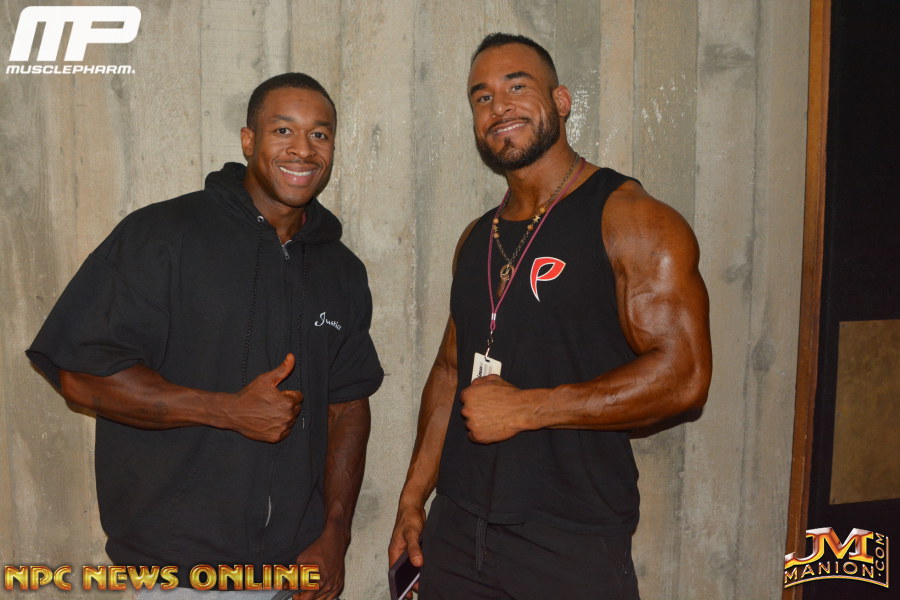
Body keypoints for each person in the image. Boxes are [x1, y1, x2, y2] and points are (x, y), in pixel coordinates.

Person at [27, 73, 383, 600]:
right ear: (248, 141)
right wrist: (226, 410)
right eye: (283, 130)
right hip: (177, 573)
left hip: (293, 572)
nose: (303, 149)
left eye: (319, 134)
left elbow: (348, 407)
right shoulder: (163, 235)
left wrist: (335, 533)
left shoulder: (341, 270)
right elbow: (81, 377)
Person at [388, 33, 712, 599]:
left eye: (517, 86)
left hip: (569, 537)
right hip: (457, 528)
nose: (499, 106)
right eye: (482, 97)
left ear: (561, 101)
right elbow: (449, 371)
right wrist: (413, 498)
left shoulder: (633, 219)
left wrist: (529, 408)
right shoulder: (477, 237)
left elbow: (684, 377)